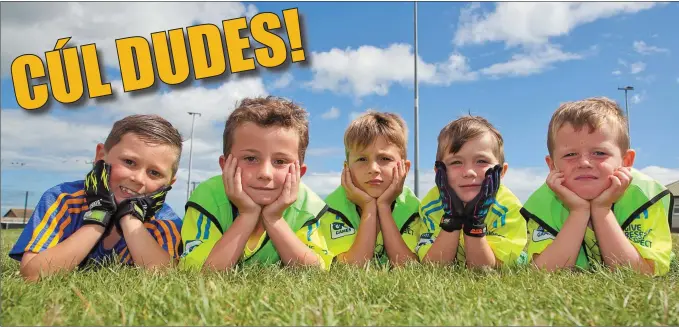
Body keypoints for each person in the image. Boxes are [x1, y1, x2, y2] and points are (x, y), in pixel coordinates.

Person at [10, 114, 184, 281]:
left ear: (169, 183)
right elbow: (33, 275)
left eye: (154, 173)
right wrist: (98, 217)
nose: (138, 179)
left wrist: (131, 220)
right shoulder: (64, 199)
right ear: (101, 155)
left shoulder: (164, 221)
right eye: (129, 162)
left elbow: (164, 279)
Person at [521, 97, 673, 276]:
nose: (584, 162)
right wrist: (578, 212)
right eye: (570, 154)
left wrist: (602, 209)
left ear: (626, 161)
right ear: (552, 165)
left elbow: (640, 274)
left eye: (599, 153)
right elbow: (543, 273)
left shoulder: (644, 196)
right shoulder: (544, 201)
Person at [178, 96, 333, 271]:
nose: (265, 173)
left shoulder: (308, 205)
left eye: (280, 161)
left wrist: (274, 219)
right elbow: (203, 272)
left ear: (299, 173)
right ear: (224, 165)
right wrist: (247, 215)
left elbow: (315, 272)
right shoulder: (208, 198)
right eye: (251, 158)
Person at [416, 116, 527, 268]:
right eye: (456, 162)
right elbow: (434, 267)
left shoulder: (508, 206)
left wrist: (475, 222)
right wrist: (452, 220)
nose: (469, 172)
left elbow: (486, 270)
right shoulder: (431, 205)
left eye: (481, 161)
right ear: (439, 172)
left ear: (501, 171)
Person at [318, 111, 422, 267]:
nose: (373, 169)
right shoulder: (331, 210)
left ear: (404, 168)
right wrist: (368, 208)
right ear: (347, 169)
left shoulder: (415, 209)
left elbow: (409, 268)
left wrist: (384, 207)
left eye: (385, 159)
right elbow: (353, 267)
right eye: (362, 159)